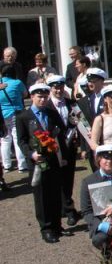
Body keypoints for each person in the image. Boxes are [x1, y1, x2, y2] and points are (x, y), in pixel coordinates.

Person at [17, 83, 68, 243]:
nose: (43, 100)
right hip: (37, 161)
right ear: (32, 97)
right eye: (39, 97)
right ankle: (46, 228)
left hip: (53, 158)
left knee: (55, 192)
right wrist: (31, 154)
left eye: (45, 97)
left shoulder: (51, 113)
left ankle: (57, 225)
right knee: (41, 196)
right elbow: (21, 141)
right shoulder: (24, 117)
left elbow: (61, 130)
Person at [46, 74, 80, 226]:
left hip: (70, 147)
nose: (58, 90)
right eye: (55, 88)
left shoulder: (72, 104)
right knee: (57, 180)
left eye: (60, 87)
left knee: (68, 179)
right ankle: (66, 209)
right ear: (50, 89)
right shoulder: (46, 106)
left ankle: (67, 207)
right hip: (53, 149)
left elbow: (80, 123)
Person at [0, 63, 28, 173]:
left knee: (5, 140)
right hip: (16, 112)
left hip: (2, 115)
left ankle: (6, 165)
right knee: (17, 138)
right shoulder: (17, 82)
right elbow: (25, 94)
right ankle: (22, 165)